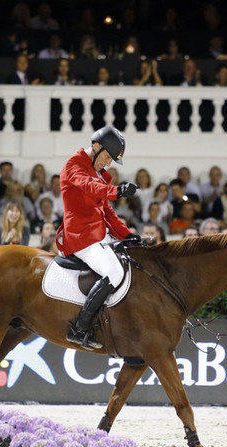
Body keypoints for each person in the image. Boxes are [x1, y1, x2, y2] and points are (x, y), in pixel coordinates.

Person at [56, 126, 140, 350]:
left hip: (101, 234)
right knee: (114, 271)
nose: (109, 163)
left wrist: (128, 235)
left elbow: (107, 212)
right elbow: (89, 187)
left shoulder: (101, 173)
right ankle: (80, 328)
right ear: (96, 147)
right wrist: (118, 191)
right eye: (108, 157)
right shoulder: (74, 164)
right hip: (81, 236)